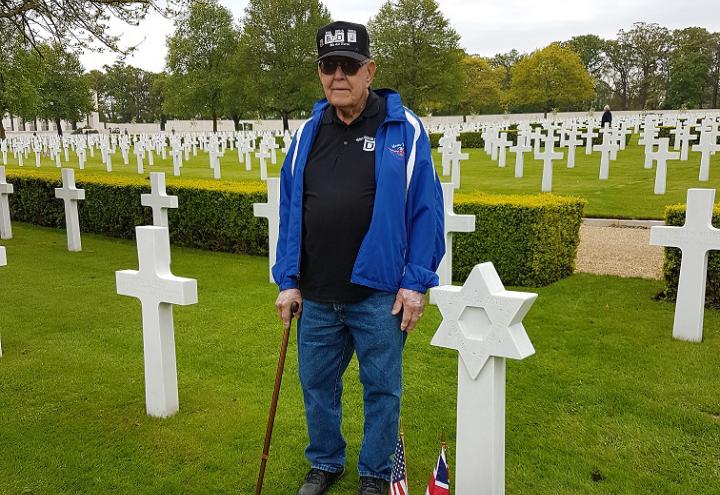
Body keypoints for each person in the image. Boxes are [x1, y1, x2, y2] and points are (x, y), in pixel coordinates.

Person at [272, 20, 445, 495]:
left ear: (370, 71)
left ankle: (374, 472)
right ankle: (325, 462)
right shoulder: (308, 132)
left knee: (382, 391)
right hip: (317, 291)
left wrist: (416, 282)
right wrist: (288, 279)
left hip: (379, 293)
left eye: (349, 66)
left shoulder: (402, 128)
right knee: (317, 386)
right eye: (329, 66)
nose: (338, 76)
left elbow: (426, 210)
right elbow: (290, 211)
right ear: (320, 73)